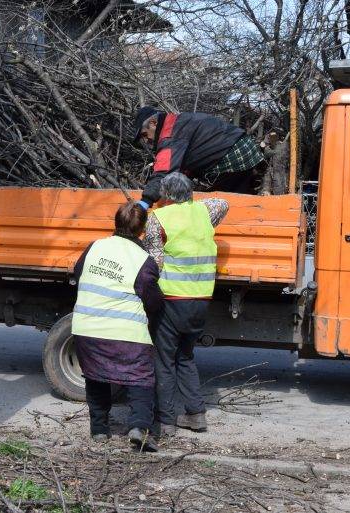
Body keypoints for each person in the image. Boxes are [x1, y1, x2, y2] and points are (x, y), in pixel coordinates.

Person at [71, 201, 164, 451]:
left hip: (86, 329)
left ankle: (99, 430)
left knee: (95, 376)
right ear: (142, 230)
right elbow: (152, 300)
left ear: (116, 222)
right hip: (126, 333)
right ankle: (139, 428)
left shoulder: (95, 247)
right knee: (140, 378)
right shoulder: (143, 260)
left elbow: (79, 273)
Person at [142, 173, 228, 436]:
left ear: (165, 194)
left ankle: (166, 421)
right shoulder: (204, 213)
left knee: (164, 360)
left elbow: (153, 262)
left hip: (171, 300)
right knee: (186, 357)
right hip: (200, 300)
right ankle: (196, 415)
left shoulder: (158, 219)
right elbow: (223, 203)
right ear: (190, 192)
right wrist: (190, 200)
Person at [132, 106, 264, 209]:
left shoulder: (169, 135)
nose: (146, 140)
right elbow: (193, 154)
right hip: (243, 147)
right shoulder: (178, 121)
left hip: (235, 156)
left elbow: (163, 173)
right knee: (239, 194)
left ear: (153, 123)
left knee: (220, 204)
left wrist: (145, 202)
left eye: (145, 134)